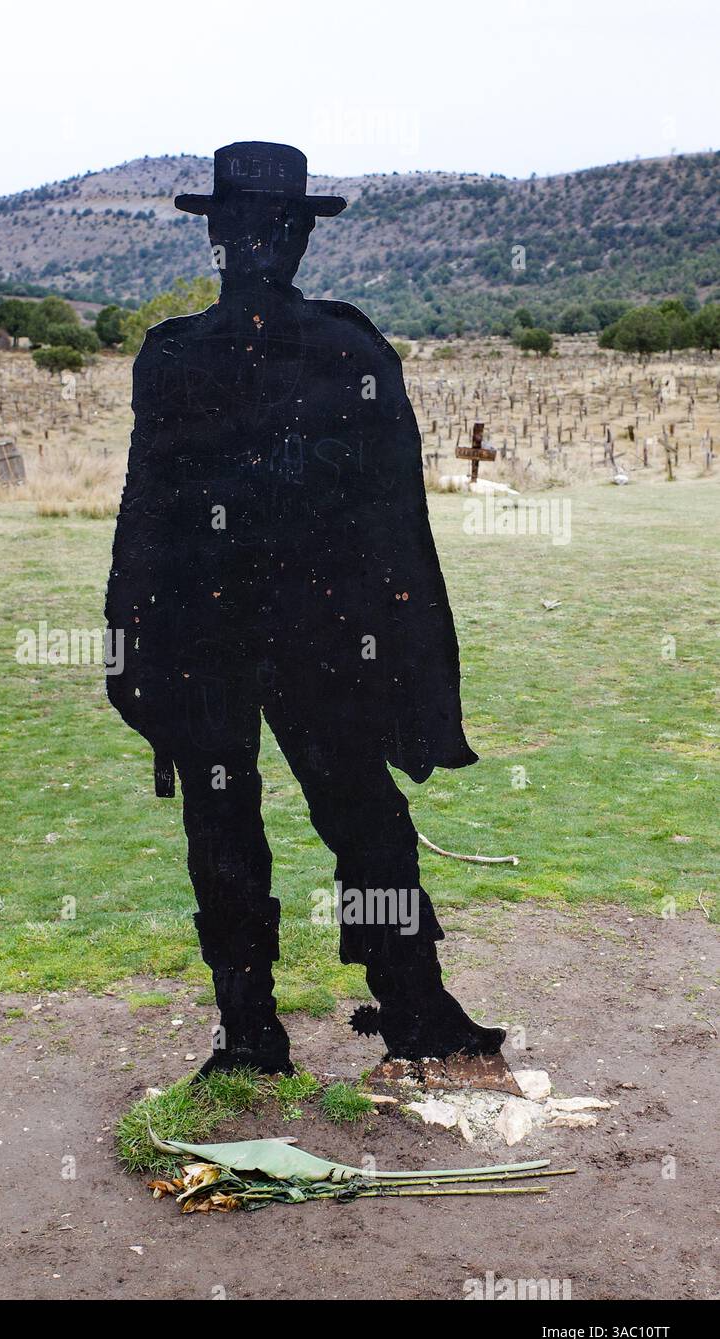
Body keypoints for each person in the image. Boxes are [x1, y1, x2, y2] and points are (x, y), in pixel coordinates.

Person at [105, 142, 506, 1075]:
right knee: (313, 817)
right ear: (223, 234)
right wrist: (131, 640)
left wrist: (132, 636)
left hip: (269, 636)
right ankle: (297, 1021)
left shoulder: (268, 353)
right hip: (271, 637)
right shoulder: (320, 350)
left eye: (267, 226)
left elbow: (389, 524)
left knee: (325, 817)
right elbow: (148, 516)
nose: (256, 240)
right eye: (247, 225)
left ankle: (352, 1014)